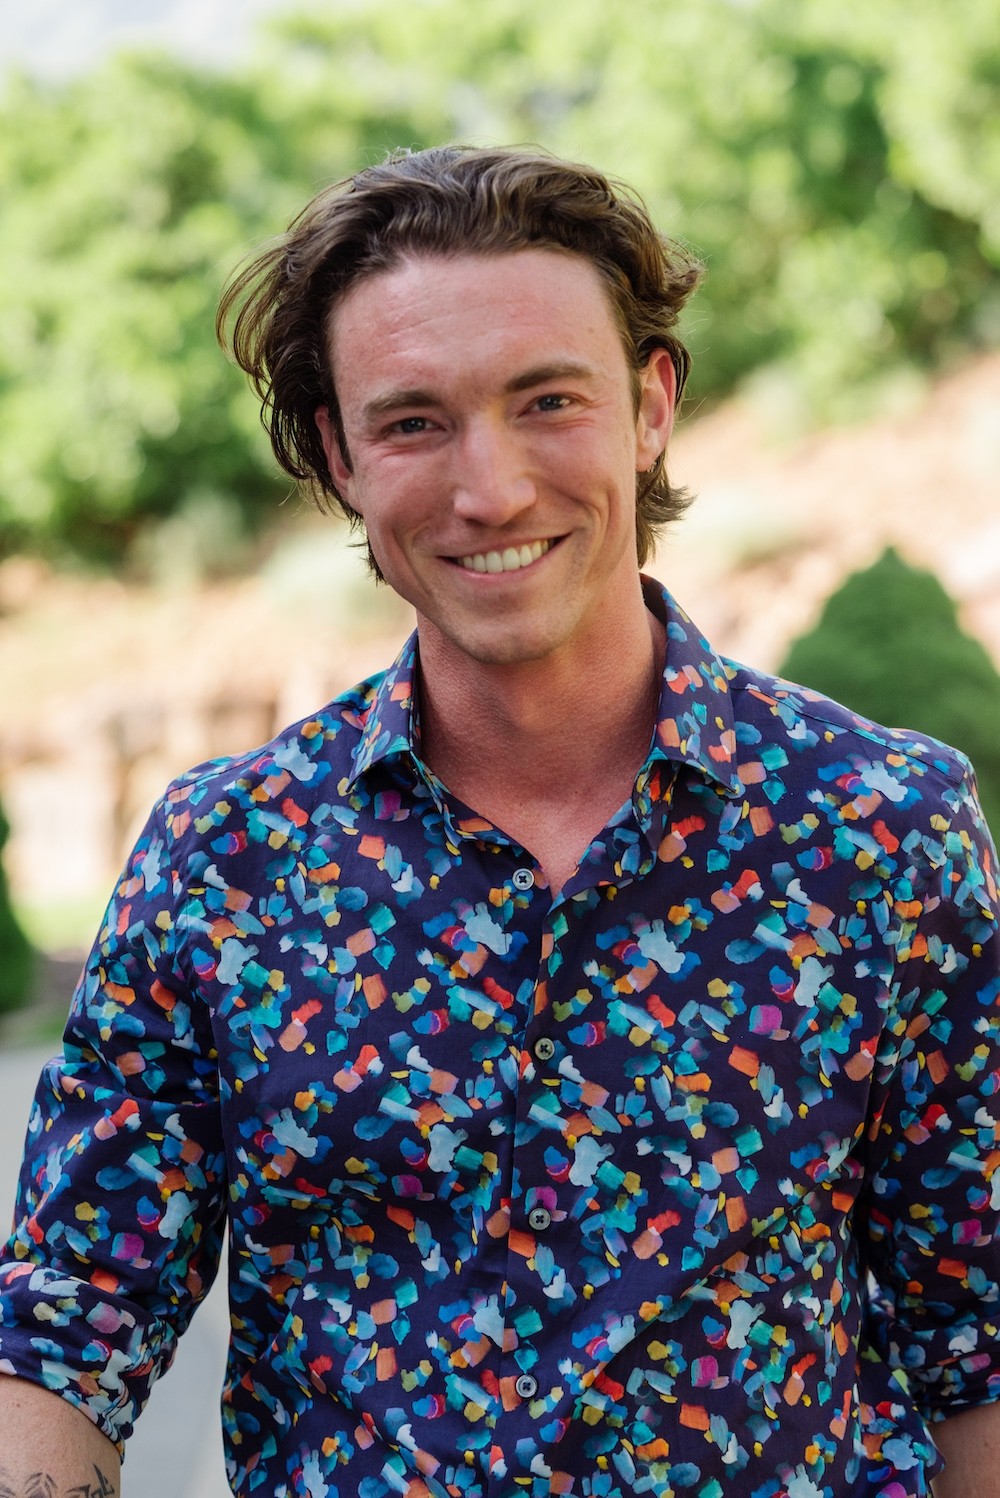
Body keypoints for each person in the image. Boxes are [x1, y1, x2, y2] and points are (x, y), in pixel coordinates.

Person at [1, 145, 999, 1498]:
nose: (493, 489)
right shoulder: (221, 861)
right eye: (415, 422)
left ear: (651, 406)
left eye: (548, 401)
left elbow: (976, 1338)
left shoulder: (884, 832)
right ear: (341, 455)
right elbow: (67, 1330)